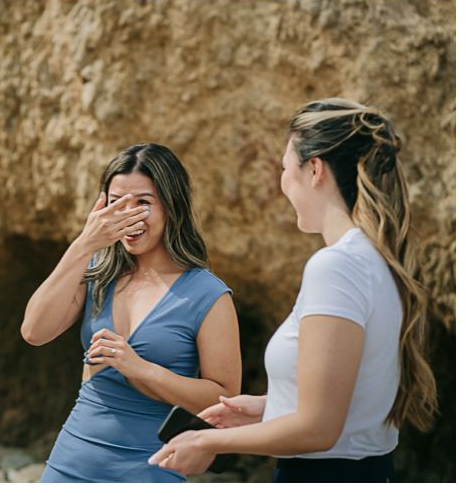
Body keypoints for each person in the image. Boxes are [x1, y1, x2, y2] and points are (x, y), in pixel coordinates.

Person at [149, 99, 438, 484]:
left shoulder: (336, 267)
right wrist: (268, 408)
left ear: (314, 169)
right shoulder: (378, 261)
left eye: (285, 168)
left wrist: (209, 442)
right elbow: (347, 403)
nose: (282, 182)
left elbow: (319, 430)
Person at [21, 143, 241, 483]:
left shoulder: (208, 294)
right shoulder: (97, 271)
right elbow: (34, 331)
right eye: (116, 203)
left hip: (150, 469)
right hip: (69, 464)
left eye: (143, 202)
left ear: (171, 205)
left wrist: (142, 370)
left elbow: (223, 401)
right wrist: (84, 244)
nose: (128, 215)